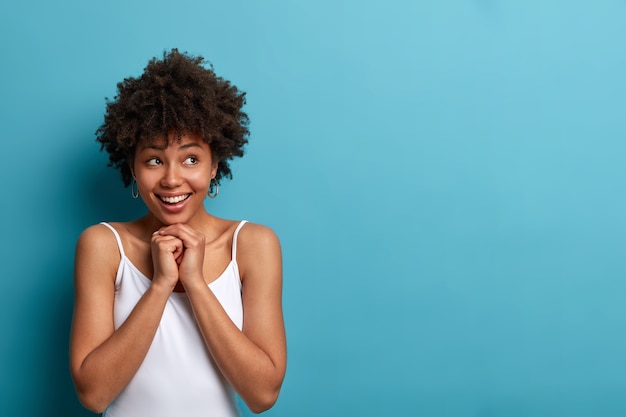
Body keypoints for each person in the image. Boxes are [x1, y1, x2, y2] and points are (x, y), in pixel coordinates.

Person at [69, 49, 286, 417]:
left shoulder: (252, 245)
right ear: (133, 169)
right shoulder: (104, 245)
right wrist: (160, 285)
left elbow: (262, 395)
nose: (171, 179)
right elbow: (93, 395)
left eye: (191, 159)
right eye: (154, 159)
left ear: (214, 164)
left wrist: (195, 283)